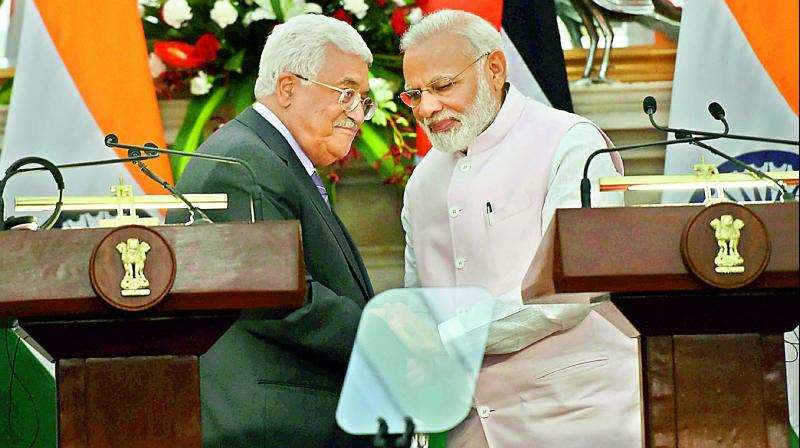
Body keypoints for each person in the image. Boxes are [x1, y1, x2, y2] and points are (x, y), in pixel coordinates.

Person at [399, 10, 641, 448]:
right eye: (414, 95)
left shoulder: (572, 142)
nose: (427, 108)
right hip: (469, 429)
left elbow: (569, 292)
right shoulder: (422, 183)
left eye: (442, 86)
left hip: (577, 418)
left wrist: (449, 337)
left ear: (493, 68)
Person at [166, 14, 375, 447]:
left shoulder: (264, 157)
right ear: (287, 88)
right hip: (271, 426)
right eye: (347, 93)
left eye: (364, 100)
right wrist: (389, 337)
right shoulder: (241, 166)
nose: (358, 114)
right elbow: (283, 300)